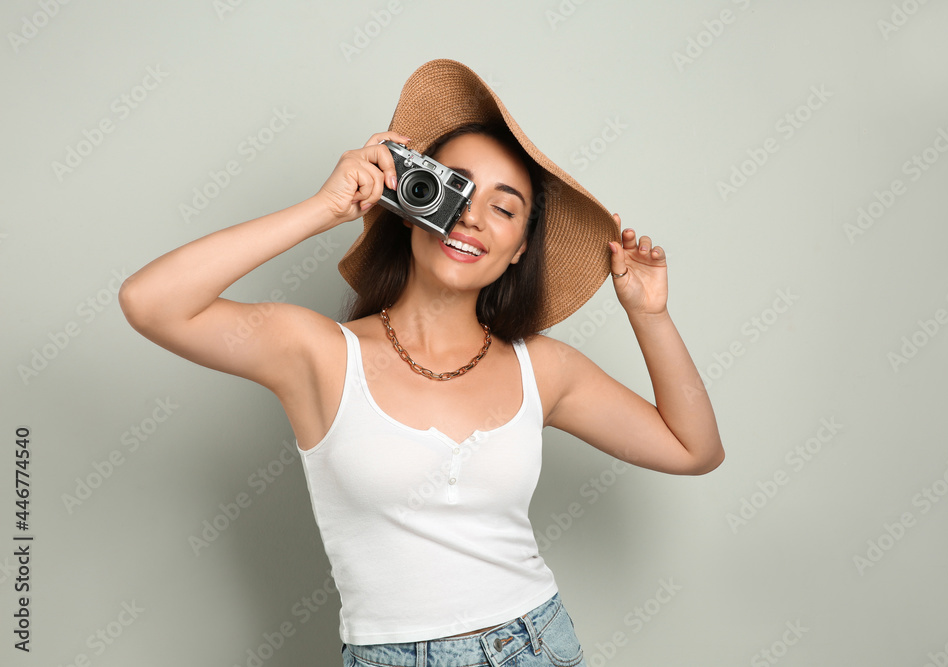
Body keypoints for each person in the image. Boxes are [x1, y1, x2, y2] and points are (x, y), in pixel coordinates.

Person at [119, 59, 724, 667]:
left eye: (504, 208)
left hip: (535, 645)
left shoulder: (542, 368)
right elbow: (150, 303)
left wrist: (649, 315)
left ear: (518, 252)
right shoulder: (321, 354)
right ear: (410, 199)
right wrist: (326, 208)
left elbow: (692, 449)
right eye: (453, 186)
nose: (471, 216)